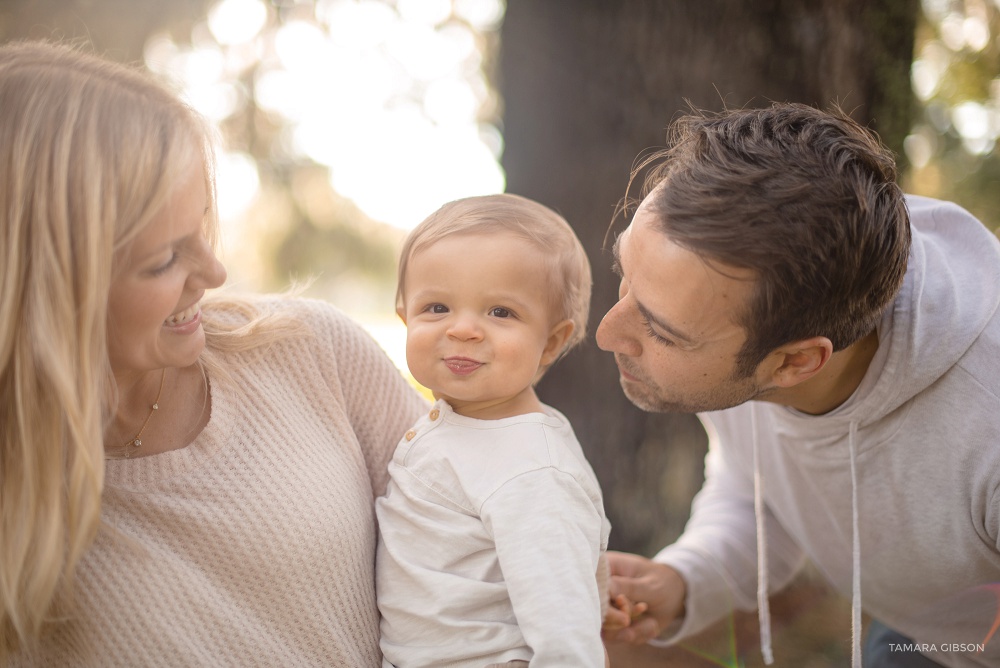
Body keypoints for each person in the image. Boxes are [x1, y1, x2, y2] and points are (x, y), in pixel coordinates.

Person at [0, 41, 427, 665]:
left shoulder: (311, 352)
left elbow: (480, 525)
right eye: (164, 259)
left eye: (201, 228)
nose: (215, 271)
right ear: (46, 287)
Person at [596, 103, 1000, 668]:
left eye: (662, 332)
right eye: (623, 277)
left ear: (795, 363)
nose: (606, 333)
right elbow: (760, 486)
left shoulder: (987, 431)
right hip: (931, 625)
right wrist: (684, 579)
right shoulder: (749, 306)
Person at [375, 194, 612, 667]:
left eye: (500, 312)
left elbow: (568, 639)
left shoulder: (530, 469)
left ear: (552, 342)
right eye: (437, 307)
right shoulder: (462, 425)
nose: (464, 329)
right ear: (406, 319)